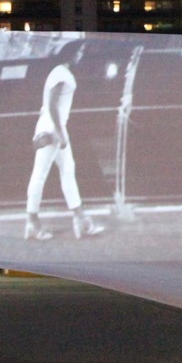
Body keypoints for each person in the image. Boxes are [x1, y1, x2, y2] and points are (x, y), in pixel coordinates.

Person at [24, 39, 106, 241]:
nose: (81, 55)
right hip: (53, 127)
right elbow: (51, 105)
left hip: (55, 126)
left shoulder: (61, 72)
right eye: (79, 51)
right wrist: (60, 132)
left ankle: (80, 220)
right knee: (41, 174)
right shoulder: (60, 72)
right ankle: (33, 222)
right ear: (70, 52)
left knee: (67, 170)